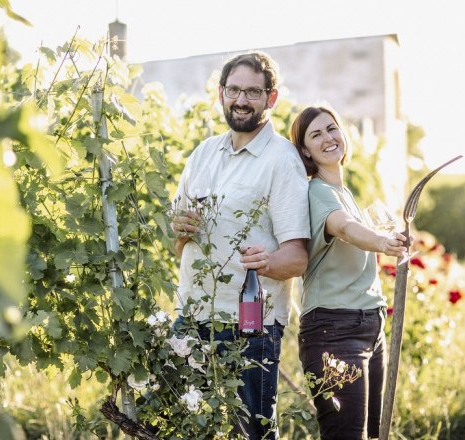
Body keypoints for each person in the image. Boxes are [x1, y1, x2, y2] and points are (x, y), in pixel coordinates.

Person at [169, 52, 310, 440]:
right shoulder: (202, 154)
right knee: (185, 426)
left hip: (250, 326)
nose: (241, 99)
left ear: (271, 98)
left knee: (253, 432)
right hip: (191, 316)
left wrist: (265, 262)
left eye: (252, 91)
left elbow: (297, 257)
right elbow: (181, 248)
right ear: (220, 93)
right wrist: (182, 231)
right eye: (234, 89)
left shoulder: (282, 161)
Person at [289, 105, 409, 440]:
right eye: (316, 135)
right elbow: (344, 228)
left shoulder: (345, 193)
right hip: (334, 331)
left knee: (370, 435)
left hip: (370, 327)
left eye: (331, 128)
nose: (328, 138)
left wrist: (389, 239)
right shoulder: (317, 192)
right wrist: (384, 241)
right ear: (305, 151)